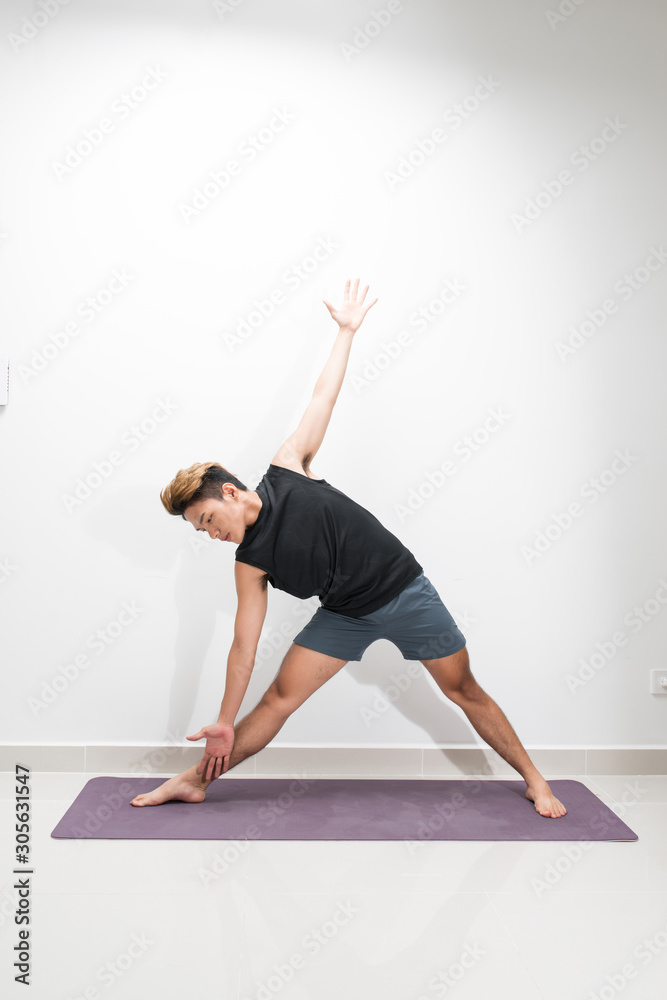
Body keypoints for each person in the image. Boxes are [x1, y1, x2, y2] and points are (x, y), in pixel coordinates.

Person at [131, 279, 566, 818]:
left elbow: (323, 396)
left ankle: (534, 778)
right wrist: (224, 718)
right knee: (277, 700)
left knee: (463, 690)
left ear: (230, 492)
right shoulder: (250, 565)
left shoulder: (289, 467)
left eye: (207, 520)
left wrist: (345, 331)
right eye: (201, 531)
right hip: (345, 615)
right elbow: (243, 646)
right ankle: (194, 781)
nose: (211, 535)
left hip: (405, 593)